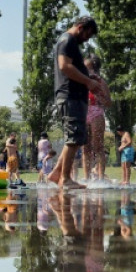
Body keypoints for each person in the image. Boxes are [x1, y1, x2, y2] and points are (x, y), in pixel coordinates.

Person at [46, 16, 102, 190]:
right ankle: (65, 179)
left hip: (75, 96)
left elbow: (72, 67)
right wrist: (87, 82)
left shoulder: (70, 42)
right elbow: (65, 66)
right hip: (70, 96)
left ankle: (57, 173)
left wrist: (87, 76)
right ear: (80, 27)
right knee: (73, 137)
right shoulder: (68, 40)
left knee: (76, 138)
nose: (87, 39)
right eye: (88, 34)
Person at [82, 54, 112, 181]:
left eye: (88, 66)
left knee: (97, 146)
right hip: (83, 113)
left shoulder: (100, 82)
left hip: (96, 112)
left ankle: (100, 178)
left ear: (94, 66)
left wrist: (99, 95)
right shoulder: (81, 80)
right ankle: (86, 178)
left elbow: (109, 103)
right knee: (85, 147)